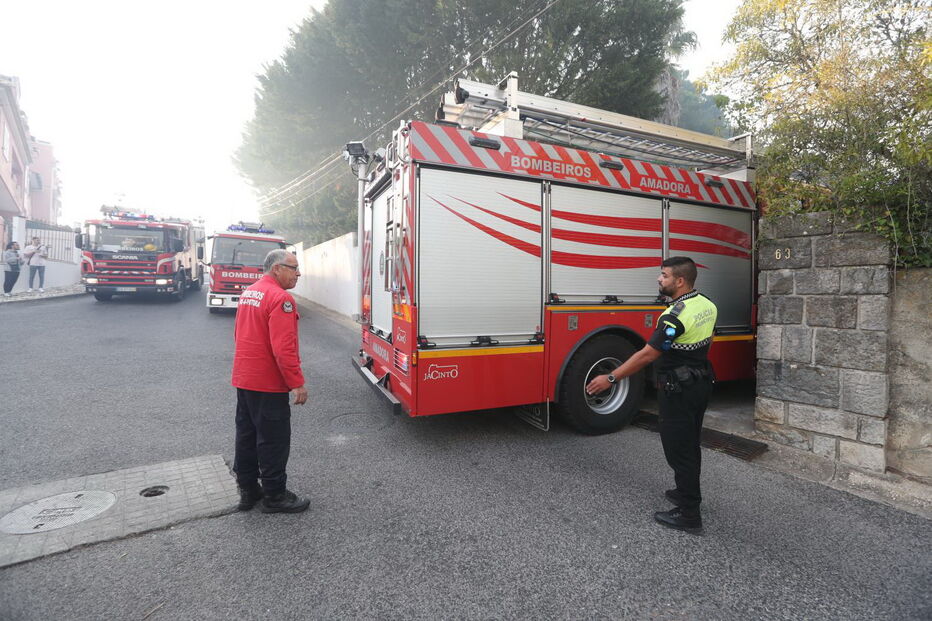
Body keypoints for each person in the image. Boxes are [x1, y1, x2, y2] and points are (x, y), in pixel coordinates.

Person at [586, 256, 717, 534]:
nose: (659, 279)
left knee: (678, 449)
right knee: (690, 442)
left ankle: (689, 515)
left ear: (680, 281)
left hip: (679, 390)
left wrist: (611, 378)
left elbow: (648, 354)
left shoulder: (674, 316)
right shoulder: (706, 303)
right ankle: (685, 492)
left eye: (664, 275)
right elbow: (709, 338)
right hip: (700, 383)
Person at [231, 249, 310, 513]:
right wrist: (297, 382)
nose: (298, 273)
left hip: (245, 378)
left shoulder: (249, 292)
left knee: (247, 435)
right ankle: (275, 496)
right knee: (274, 440)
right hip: (268, 382)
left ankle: (248, 491)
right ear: (277, 269)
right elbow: (284, 348)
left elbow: (239, 334)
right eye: (294, 268)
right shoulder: (281, 298)